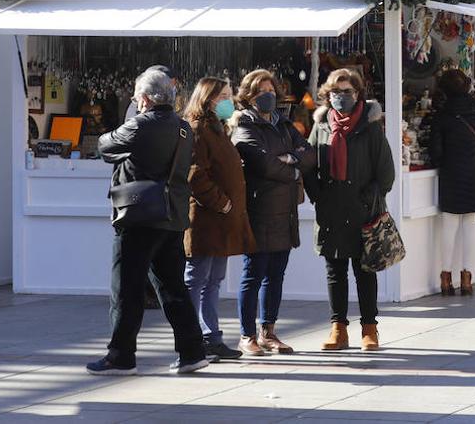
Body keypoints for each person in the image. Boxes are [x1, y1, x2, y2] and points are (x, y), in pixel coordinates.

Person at [88, 69, 209, 376]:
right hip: (172, 217)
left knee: (127, 287)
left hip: (139, 216)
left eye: (136, 97)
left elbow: (104, 145)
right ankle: (192, 351)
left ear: (144, 98)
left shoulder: (139, 125)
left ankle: (121, 354)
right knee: (173, 288)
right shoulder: (184, 129)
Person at [305, 68, 396, 352]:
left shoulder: (369, 127)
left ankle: (370, 328)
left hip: (362, 210)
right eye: (336, 92)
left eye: (347, 92)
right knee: (335, 271)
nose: (341, 97)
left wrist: (368, 198)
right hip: (331, 209)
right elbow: (309, 165)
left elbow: (386, 173)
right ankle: (338, 329)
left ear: (357, 94)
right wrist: (317, 194)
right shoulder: (320, 125)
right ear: (327, 95)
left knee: (364, 270)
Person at [231, 68, 316, 356]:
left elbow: (309, 153)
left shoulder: (283, 124)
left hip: (285, 210)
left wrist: (289, 159)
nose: (267, 95)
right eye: (260, 91)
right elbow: (263, 165)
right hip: (259, 209)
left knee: (276, 275)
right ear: (249, 96)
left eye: (270, 90)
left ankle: (268, 331)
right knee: (253, 273)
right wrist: (292, 169)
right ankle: (246, 334)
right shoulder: (245, 126)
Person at [180, 77, 255, 360]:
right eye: (223, 95)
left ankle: (211, 336)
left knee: (214, 280)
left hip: (222, 220)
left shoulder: (219, 128)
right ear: (208, 99)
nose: (229, 100)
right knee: (197, 279)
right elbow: (195, 174)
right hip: (206, 219)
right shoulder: (198, 129)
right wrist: (221, 202)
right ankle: (191, 336)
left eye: (230, 94)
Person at [427, 68, 475, 296]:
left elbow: (436, 153)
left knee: (449, 227)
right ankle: (467, 280)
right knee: (471, 227)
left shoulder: (442, 116)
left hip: (452, 176)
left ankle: (446, 279)